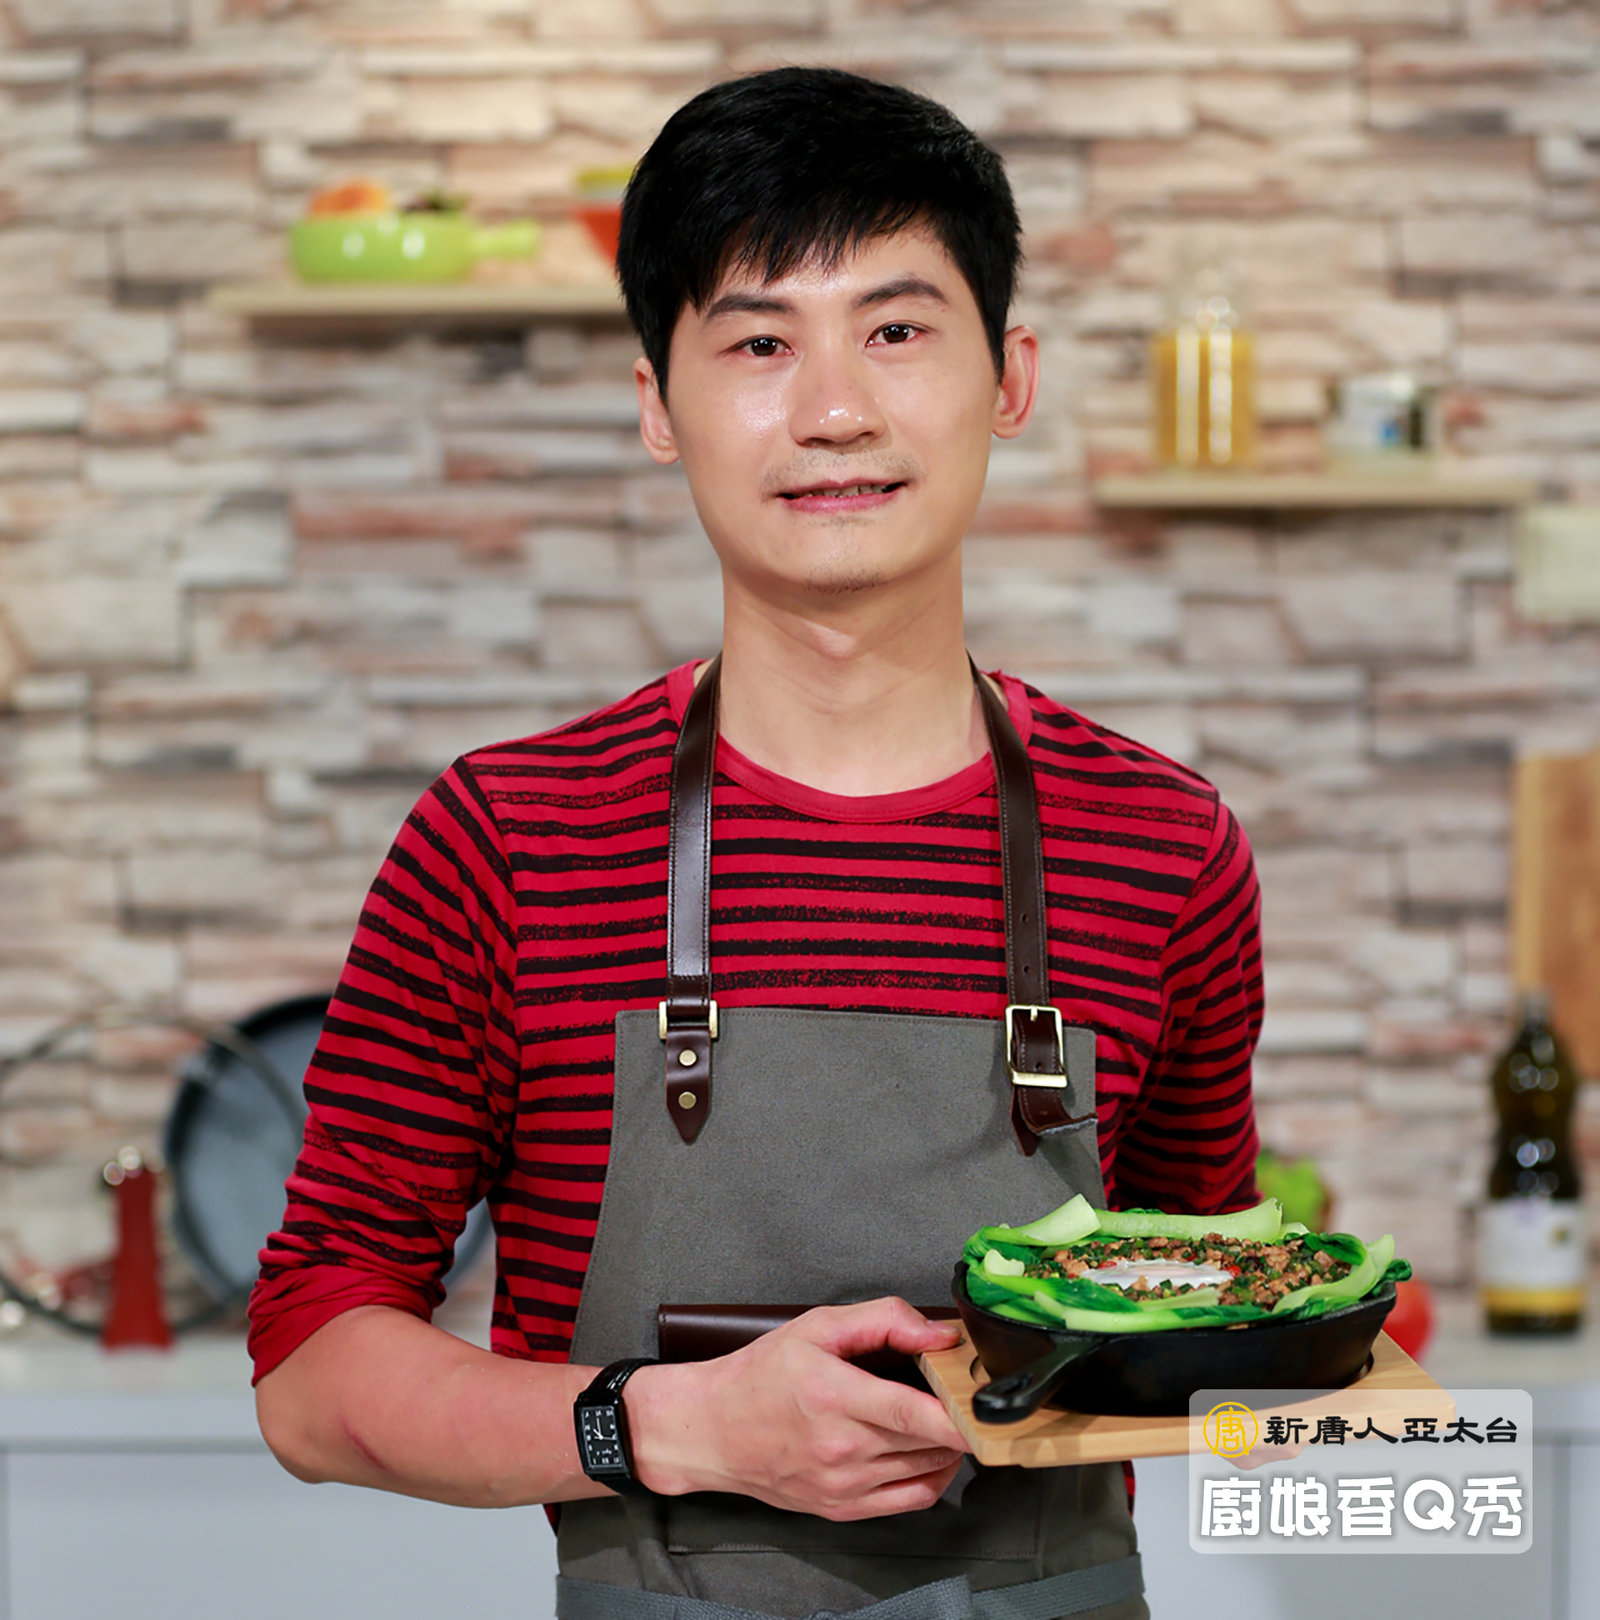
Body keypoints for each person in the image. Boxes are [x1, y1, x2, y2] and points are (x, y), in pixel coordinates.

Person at [250, 65, 1263, 1620]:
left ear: (1011, 378)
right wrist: (673, 1424)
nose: (835, 411)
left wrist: (1287, 1354)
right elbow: (312, 1368)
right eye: (760, 342)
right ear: (658, 405)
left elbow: (1199, 1320)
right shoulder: (506, 842)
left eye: (897, 330)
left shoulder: (1164, 847)